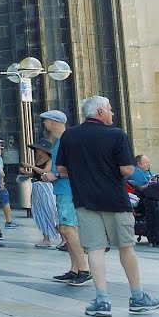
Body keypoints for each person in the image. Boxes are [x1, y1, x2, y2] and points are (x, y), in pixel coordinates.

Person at [55, 95, 159, 317]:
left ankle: (102, 300)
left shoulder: (69, 135)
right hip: (115, 200)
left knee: (95, 249)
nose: (113, 113)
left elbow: (62, 169)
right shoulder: (117, 135)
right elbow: (127, 171)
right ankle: (137, 296)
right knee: (126, 247)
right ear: (100, 112)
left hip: (84, 200)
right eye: (110, 109)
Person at [40, 110, 90, 285]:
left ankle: (84, 269)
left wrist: (55, 176)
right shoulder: (63, 141)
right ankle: (75, 269)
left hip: (67, 190)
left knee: (67, 229)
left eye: (45, 121)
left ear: (54, 122)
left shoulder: (67, 141)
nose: (44, 125)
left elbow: (75, 167)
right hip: (64, 190)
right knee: (69, 229)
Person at [19, 138, 61, 249]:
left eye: (38, 148)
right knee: (40, 212)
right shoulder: (38, 160)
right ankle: (46, 238)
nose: (36, 150)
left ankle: (64, 237)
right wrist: (26, 173)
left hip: (45, 186)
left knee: (51, 211)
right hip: (37, 186)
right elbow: (35, 175)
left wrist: (30, 166)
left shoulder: (50, 160)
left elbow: (45, 172)